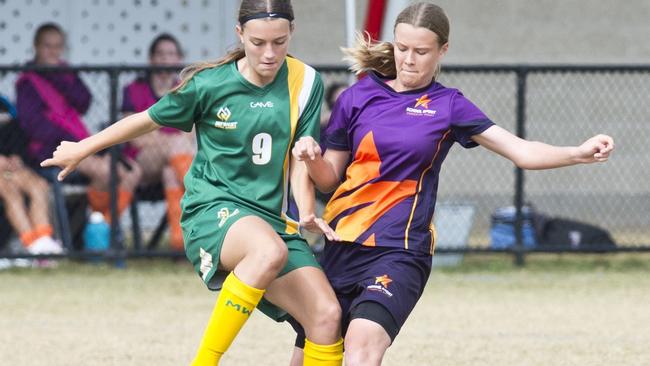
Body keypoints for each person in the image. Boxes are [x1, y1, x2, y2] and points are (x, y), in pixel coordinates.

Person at [289, 2, 615, 365]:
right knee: (307, 357)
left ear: (443, 50)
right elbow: (329, 177)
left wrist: (577, 153)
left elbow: (520, 151)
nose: (408, 60)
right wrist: (311, 158)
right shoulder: (357, 97)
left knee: (363, 344)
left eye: (421, 51)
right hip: (340, 245)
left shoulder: (448, 105)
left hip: (400, 250)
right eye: (402, 48)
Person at [41, 1, 345, 365]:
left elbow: (300, 157)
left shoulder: (306, 81)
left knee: (327, 317)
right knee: (268, 252)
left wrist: (307, 210)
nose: (269, 53)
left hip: (271, 221)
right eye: (258, 42)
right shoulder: (209, 84)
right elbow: (146, 120)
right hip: (212, 210)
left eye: (279, 42)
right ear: (240, 34)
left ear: (292, 33)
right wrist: (84, 148)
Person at [15, 22, 142, 223]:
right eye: (48, 46)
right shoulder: (27, 83)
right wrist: (70, 140)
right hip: (50, 148)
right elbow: (34, 126)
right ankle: (92, 229)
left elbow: (84, 101)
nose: (53, 52)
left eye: (58, 46)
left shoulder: (64, 72)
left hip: (78, 141)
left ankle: (104, 228)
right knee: (104, 172)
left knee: (132, 171)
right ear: (37, 47)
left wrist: (60, 77)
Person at [121, 33, 194, 251]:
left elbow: (189, 134)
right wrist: (168, 140)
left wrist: (156, 137)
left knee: (171, 173)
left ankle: (179, 246)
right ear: (151, 58)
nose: (165, 59)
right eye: (160, 54)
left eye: (171, 54)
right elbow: (134, 136)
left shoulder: (185, 89)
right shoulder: (134, 89)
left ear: (179, 59)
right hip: (141, 163)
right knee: (178, 147)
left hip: (171, 163)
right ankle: (202, 194)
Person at [0, 95, 61, 255]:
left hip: (10, 169)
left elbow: (16, 137)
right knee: (10, 191)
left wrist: (16, 157)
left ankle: (44, 240)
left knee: (38, 185)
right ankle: (32, 246)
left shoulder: (4, 105)